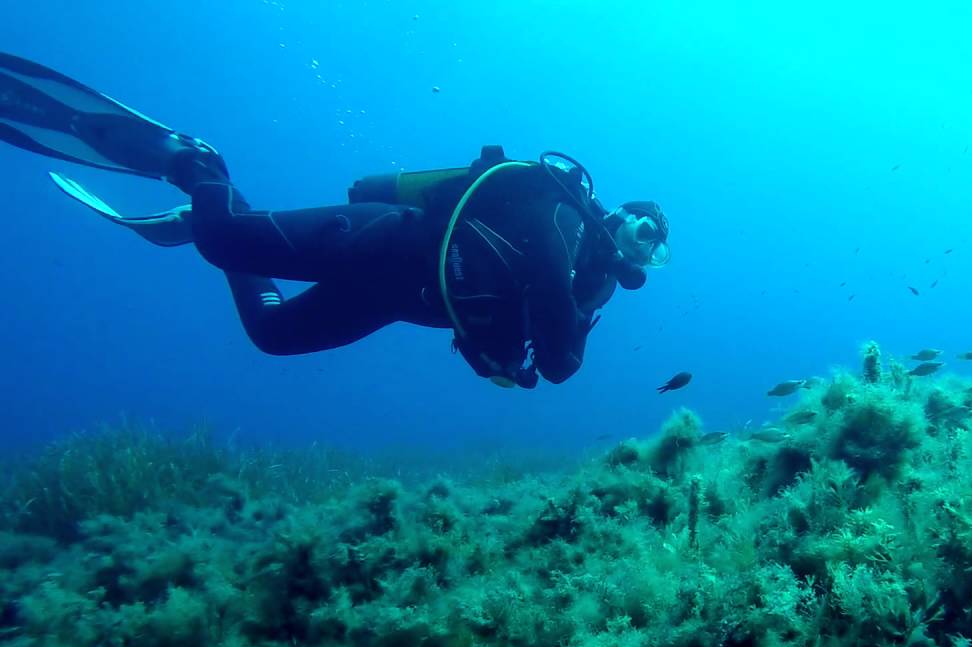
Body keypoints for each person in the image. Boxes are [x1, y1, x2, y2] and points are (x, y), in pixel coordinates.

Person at [0, 52, 670, 389]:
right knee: (223, 237)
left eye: (655, 254)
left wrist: (571, 320)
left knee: (271, 334)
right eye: (642, 232)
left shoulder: (592, 281)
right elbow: (556, 351)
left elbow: (539, 358)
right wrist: (564, 328)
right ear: (618, 215)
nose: (641, 253)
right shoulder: (560, 212)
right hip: (382, 238)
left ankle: (212, 217)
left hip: (395, 298)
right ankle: (197, 166)